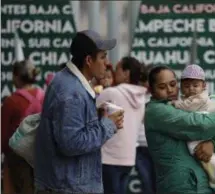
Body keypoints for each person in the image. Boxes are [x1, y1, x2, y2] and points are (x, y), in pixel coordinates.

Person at [34, 30, 124, 194]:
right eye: (103, 57)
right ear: (89, 60)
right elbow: (71, 143)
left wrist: (94, 114)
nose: (107, 63)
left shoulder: (66, 81)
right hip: (70, 186)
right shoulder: (72, 92)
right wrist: (108, 125)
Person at [144, 66, 215, 194]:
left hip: (200, 182)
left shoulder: (183, 104)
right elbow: (199, 125)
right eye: (162, 87)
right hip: (179, 185)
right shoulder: (157, 111)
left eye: (173, 84)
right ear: (152, 90)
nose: (170, 90)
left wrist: (213, 144)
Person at [171, 64, 215, 191]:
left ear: (204, 86)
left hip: (201, 148)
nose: (191, 89)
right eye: (186, 86)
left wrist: (213, 143)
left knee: (207, 158)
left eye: (195, 85)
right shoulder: (165, 109)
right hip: (182, 177)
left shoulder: (200, 100)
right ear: (181, 88)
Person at [96, 56, 147, 194]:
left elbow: (89, 110)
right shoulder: (141, 98)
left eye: (117, 68)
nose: (114, 72)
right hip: (128, 159)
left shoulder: (111, 93)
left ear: (126, 73)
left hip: (108, 157)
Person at [1, 60, 44, 194]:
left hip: (19, 158)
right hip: (42, 154)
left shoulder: (11, 101)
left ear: (16, 76)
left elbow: (3, 135)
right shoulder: (45, 96)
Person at [136, 64, 156, 194]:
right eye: (145, 79)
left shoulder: (162, 97)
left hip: (157, 147)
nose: (147, 83)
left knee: (159, 184)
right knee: (146, 184)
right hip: (139, 147)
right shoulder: (135, 95)